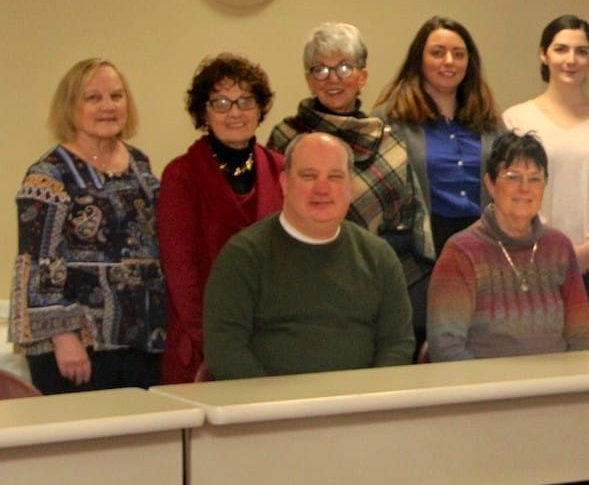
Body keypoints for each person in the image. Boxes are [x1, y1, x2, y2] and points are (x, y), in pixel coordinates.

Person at [204, 132, 420, 485]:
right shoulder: (245, 256)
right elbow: (225, 349)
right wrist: (282, 411)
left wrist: (365, 408)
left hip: (363, 423)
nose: (322, 188)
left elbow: (397, 343)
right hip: (279, 429)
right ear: (283, 181)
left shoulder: (378, 257)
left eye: (334, 177)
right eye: (308, 176)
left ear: (350, 185)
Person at [427, 132, 589, 485]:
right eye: (512, 176)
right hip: (491, 406)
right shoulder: (462, 252)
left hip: (557, 401)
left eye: (535, 178)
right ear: (490, 182)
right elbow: (447, 347)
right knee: (560, 464)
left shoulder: (559, 248)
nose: (524, 187)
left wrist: (565, 392)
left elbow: (582, 335)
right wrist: (506, 398)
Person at [10, 58, 166, 395]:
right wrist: (65, 339)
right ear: (70, 106)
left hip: (141, 339)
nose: (107, 106)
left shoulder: (140, 164)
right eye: (92, 98)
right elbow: (36, 264)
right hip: (77, 348)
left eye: (116, 96)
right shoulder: (48, 174)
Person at [268, 21, 430, 339]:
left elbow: (409, 223)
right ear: (308, 79)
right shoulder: (286, 137)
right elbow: (272, 217)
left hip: (373, 286)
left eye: (344, 67)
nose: (333, 79)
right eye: (321, 70)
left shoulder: (389, 142)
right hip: (299, 287)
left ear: (363, 76)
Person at [503, 14, 589, 348]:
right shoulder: (516, 119)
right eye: (561, 49)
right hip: (535, 259)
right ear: (543, 54)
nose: (571, 59)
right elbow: (514, 194)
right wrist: (557, 245)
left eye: (581, 51)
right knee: (539, 362)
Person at [158, 53, 284, 385]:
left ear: (260, 108)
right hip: (204, 348)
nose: (235, 112)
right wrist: (219, 345)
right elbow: (181, 275)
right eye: (221, 103)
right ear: (203, 112)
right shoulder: (181, 175)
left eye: (245, 100)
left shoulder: (282, 169)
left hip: (273, 343)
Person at [374, 16, 502, 342]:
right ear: (420, 58)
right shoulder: (389, 120)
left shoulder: (489, 121)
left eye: (458, 54)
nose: (449, 62)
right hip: (419, 256)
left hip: (480, 251)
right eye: (438, 52)